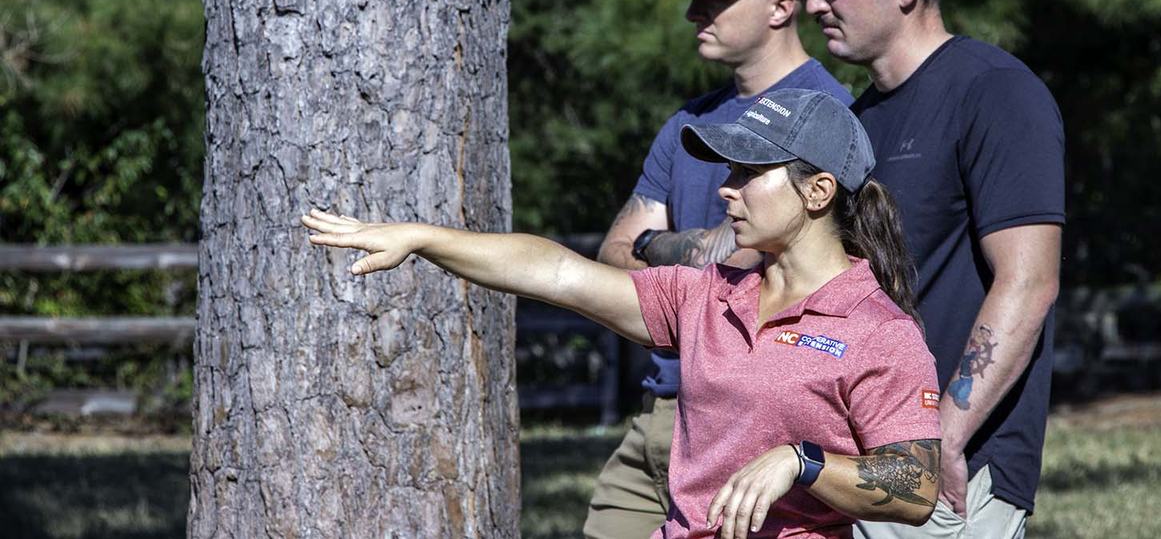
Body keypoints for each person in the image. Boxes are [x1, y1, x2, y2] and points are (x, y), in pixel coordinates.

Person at [302, 88, 942, 539]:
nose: (727, 187)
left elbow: (916, 486)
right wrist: (423, 239)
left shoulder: (877, 331)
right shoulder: (707, 293)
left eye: (750, 172)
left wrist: (802, 461)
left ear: (818, 191)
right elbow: (557, 273)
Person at [769, 0, 1065, 538]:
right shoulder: (853, 120)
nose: (814, 2)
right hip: (853, 463)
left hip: (943, 471)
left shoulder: (995, 93)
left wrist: (943, 438)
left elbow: (1030, 280)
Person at [590, 0, 851, 539]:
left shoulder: (829, 119)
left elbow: (798, 274)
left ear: (782, 6)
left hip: (751, 430)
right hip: (658, 416)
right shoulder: (687, 122)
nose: (693, 14)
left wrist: (656, 250)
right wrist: (690, 249)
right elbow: (612, 258)